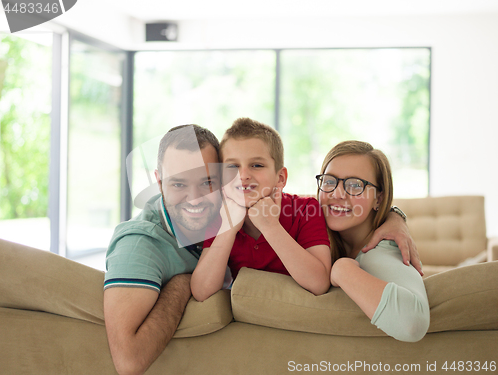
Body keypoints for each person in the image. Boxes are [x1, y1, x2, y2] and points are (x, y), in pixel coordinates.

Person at [191, 118, 421, 302]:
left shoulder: (307, 209)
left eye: (257, 165)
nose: (243, 175)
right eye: (232, 166)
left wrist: (270, 226)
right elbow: (202, 292)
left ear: (280, 178)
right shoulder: (219, 217)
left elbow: (319, 282)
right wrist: (228, 230)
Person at [104, 124, 225, 375]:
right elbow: (129, 361)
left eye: (207, 182)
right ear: (159, 182)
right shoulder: (138, 245)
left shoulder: (231, 213)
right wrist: (183, 285)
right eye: (179, 184)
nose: (194, 197)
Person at [316, 140, 430, 342]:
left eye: (354, 185)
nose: (337, 194)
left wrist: (343, 270)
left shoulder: (380, 253)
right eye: (329, 181)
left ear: (379, 198)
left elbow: (413, 324)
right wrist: (396, 215)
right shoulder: (314, 229)